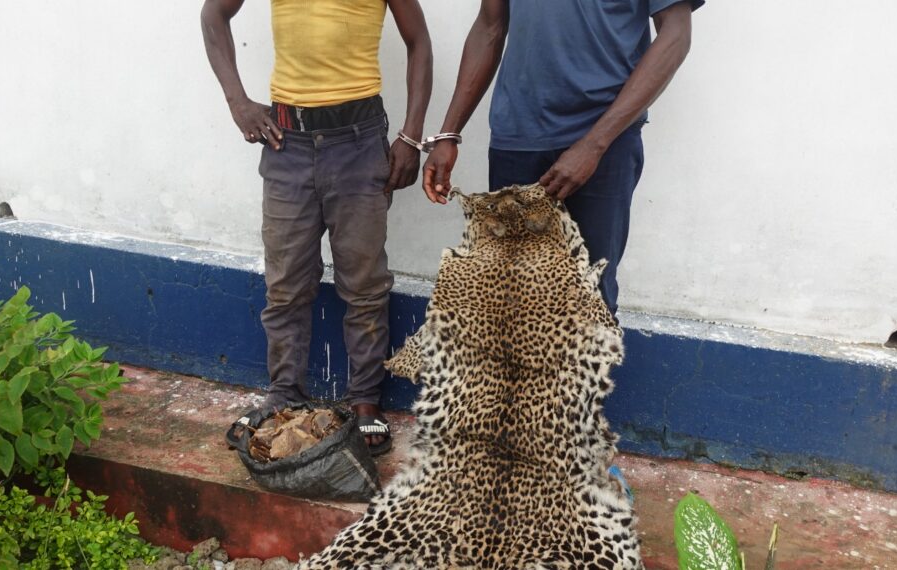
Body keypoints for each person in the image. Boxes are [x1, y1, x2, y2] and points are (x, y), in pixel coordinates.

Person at [201, 0, 432, 455]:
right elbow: (214, 13)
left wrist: (410, 135)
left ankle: (365, 400)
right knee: (285, 283)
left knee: (364, 284)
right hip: (286, 143)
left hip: (359, 141)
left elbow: (419, 41)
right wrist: (237, 102)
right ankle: (283, 394)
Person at [422, 0, 702, 315]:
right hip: (518, 139)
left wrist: (594, 144)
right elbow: (490, 26)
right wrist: (448, 133)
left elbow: (676, 34)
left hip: (605, 142)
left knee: (587, 303)